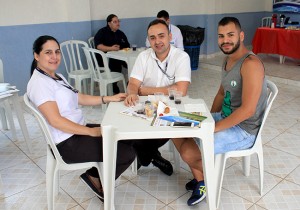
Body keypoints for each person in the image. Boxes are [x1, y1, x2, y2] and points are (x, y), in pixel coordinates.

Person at [172, 17, 268, 206]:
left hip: (244, 130)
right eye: (221, 36)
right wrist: (207, 118)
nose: (225, 40)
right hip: (226, 117)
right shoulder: (228, 60)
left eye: (230, 35)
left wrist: (212, 128)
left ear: (241, 35)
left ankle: (206, 179)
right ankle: (201, 179)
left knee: (188, 153)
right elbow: (221, 93)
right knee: (176, 127)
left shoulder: (251, 65)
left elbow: (248, 110)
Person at [27, 35, 136, 202]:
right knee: (126, 153)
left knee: (124, 136)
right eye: (48, 52)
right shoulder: (40, 83)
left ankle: (95, 176)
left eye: (57, 52)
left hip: (76, 131)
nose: (54, 57)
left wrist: (108, 98)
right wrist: (91, 132)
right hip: (67, 144)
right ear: (36, 55)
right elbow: (55, 121)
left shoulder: (55, 76)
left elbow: (78, 97)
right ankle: (95, 178)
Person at [125, 19, 191, 176]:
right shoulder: (143, 56)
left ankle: (146, 157)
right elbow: (133, 83)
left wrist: (146, 90)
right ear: (148, 40)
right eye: (152, 38)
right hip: (146, 109)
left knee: (164, 127)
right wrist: (134, 92)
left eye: (161, 36)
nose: (157, 41)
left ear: (169, 36)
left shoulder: (181, 57)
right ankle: (153, 155)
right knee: (129, 127)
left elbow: (180, 90)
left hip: (171, 110)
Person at [94, 14, 130, 93]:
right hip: (105, 59)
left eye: (118, 21)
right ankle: (114, 85)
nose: (118, 23)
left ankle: (130, 83)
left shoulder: (120, 33)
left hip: (121, 57)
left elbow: (127, 46)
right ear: (109, 23)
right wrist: (111, 49)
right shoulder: (102, 32)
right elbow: (98, 46)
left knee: (132, 63)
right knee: (115, 62)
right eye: (115, 22)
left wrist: (123, 49)